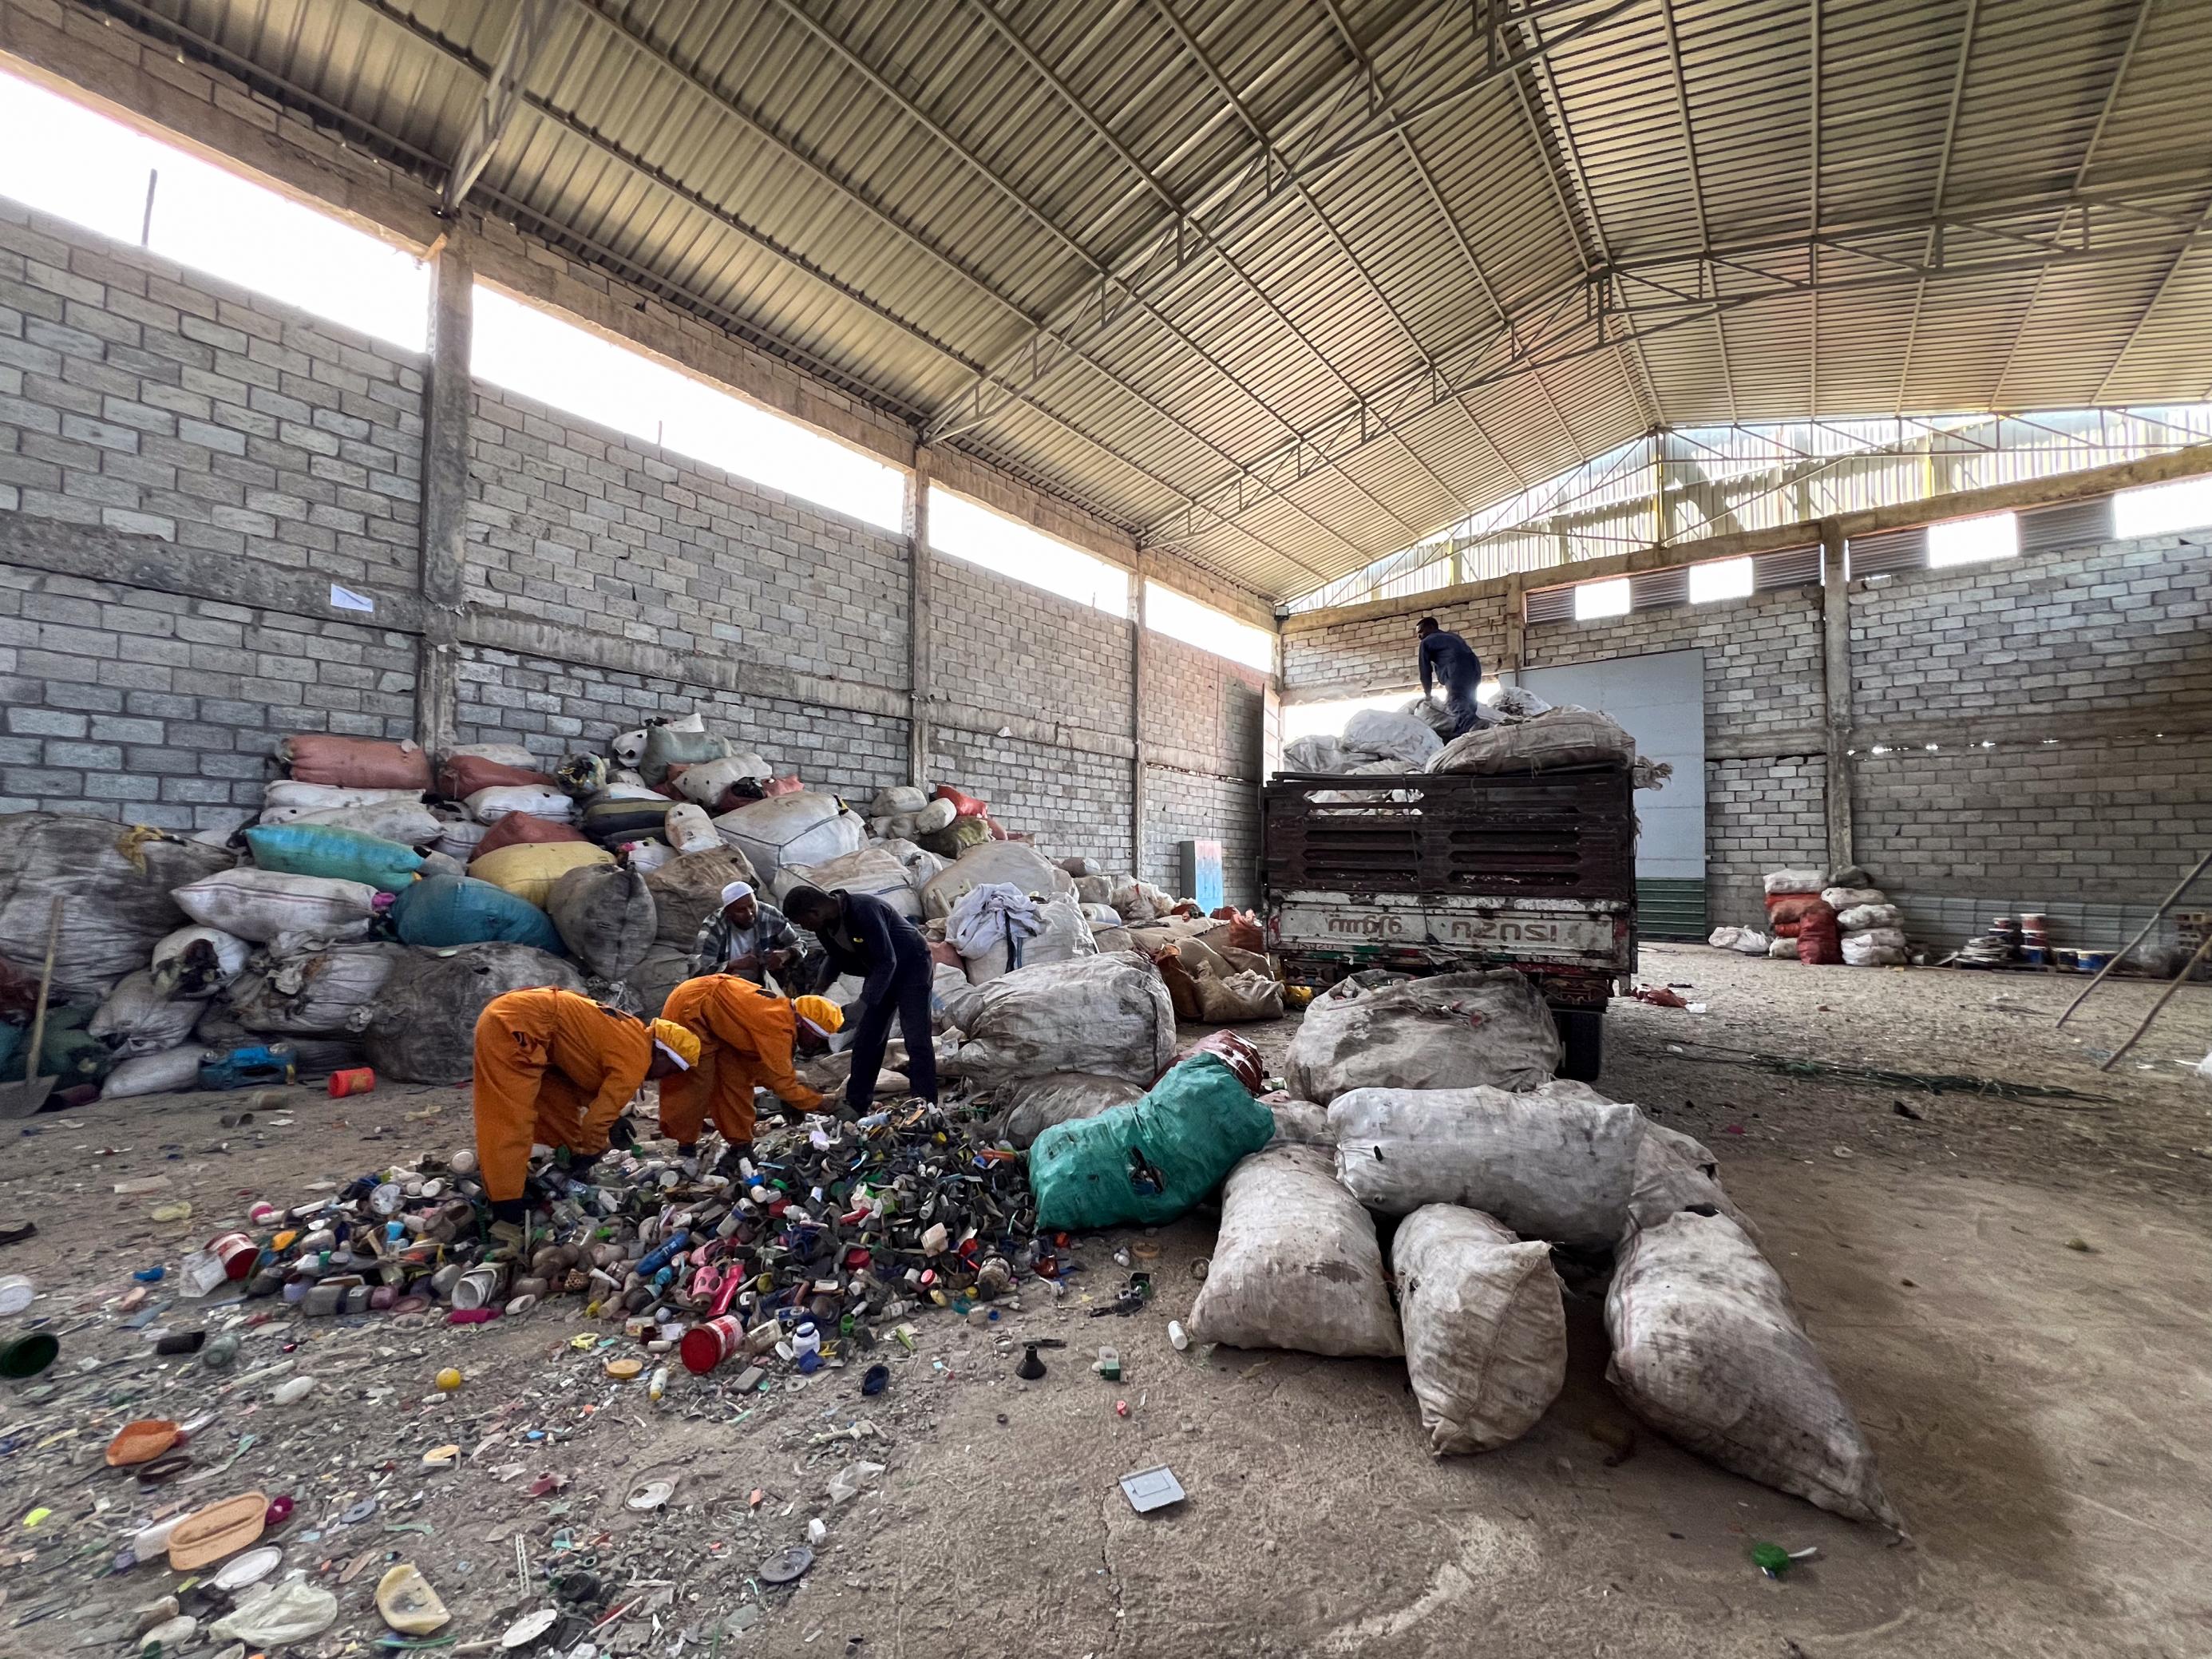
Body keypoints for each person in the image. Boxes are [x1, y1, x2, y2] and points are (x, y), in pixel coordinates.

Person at [470, 988, 700, 1245]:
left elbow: (583, 1068)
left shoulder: (633, 1034)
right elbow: (594, 1122)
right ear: (662, 1053)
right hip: (516, 1025)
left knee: (558, 1104)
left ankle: (547, 1171)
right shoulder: (636, 1060)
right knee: (509, 1116)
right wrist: (590, 1154)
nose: (664, 1078)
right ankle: (506, 1206)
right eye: (671, 1070)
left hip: (533, 1026)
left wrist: (612, 1119)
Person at [781, 885, 939, 1113]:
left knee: (916, 1036)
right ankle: (856, 1103)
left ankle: (925, 1104)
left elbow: (888, 960)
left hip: (911, 966)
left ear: (814, 912)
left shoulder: (864, 909)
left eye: (802, 922)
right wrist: (817, 992)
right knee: (867, 1039)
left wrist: (863, 1003)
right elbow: (834, 958)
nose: (804, 927)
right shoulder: (824, 926)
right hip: (879, 971)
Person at [660, 977, 843, 1174]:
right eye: (817, 1038)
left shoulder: (779, 1017)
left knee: (736, 1078)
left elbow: (763, 1070)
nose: (816, 1045)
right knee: (696, 1082)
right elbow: (781, 1082)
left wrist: (793, 1094)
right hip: (691, 1007)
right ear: (803, 1024)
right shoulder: (778, 1027)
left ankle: (740, 1145)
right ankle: (685, 1147)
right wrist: (821, 1103)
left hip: (714, 1014)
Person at [687, 881, 811, 985]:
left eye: (752, 906)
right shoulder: (713, 927)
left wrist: (787, 954)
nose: (749, 914)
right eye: (741, 910)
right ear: (728, 912)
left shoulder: (769, 915)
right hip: (726, 988)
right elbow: (696, 972)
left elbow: (800, 944)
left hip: (764, 983)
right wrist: (731, 965)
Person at [1417, 616, 1486, 738]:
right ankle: (1464, 734)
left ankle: (1474, 725)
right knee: (1468, 701)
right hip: (1474, 668)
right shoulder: (1453, 636)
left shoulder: (1427, 642)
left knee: (1454, 701)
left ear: (1431, 627)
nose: (1419, 636)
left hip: (1456, 669)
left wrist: (1428, 694)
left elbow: (1425, 671)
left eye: (1421, 631)